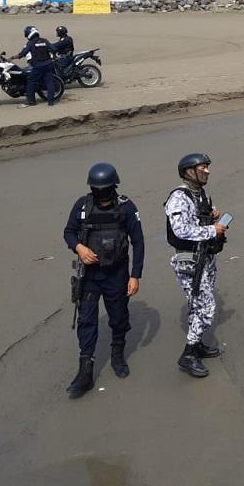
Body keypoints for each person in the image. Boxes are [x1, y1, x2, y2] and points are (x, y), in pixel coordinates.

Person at [62, 162, 145, 399]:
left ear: (113, 187)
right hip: (89, 276)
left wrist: (135, 275)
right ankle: (85, 370)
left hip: (117, 274)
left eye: (105, 189)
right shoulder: (82, 206)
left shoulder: (126, 208)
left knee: (118, 317)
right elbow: (68, 232)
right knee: (86, 320)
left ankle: (117, 354)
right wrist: (79, 247)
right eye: (97, 189)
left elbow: (138, 242)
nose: (101, 194)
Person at [164, 153, 228, 378]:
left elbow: (197, 220)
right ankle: (188, 354)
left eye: (208, 167)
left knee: (197, 305)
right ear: (189, 171)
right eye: (203, 167)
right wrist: (213, 230)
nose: (207, 171)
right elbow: (181, 230)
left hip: (206, 257)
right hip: (189, 260)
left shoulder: (200, 194)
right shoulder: (179, 198)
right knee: (206, 307)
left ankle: (198, 344)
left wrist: (212, 217)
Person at [16, 25, 57, 107]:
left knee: (31, 82)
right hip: (48, 64)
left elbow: (23, 53)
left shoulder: (31, 43)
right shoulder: (44, 40)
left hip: (38, 66)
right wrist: (53, 56)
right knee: (49, 83)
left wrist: (12, 58)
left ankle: (31, 101)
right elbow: (54, 49)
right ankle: (51, 102)